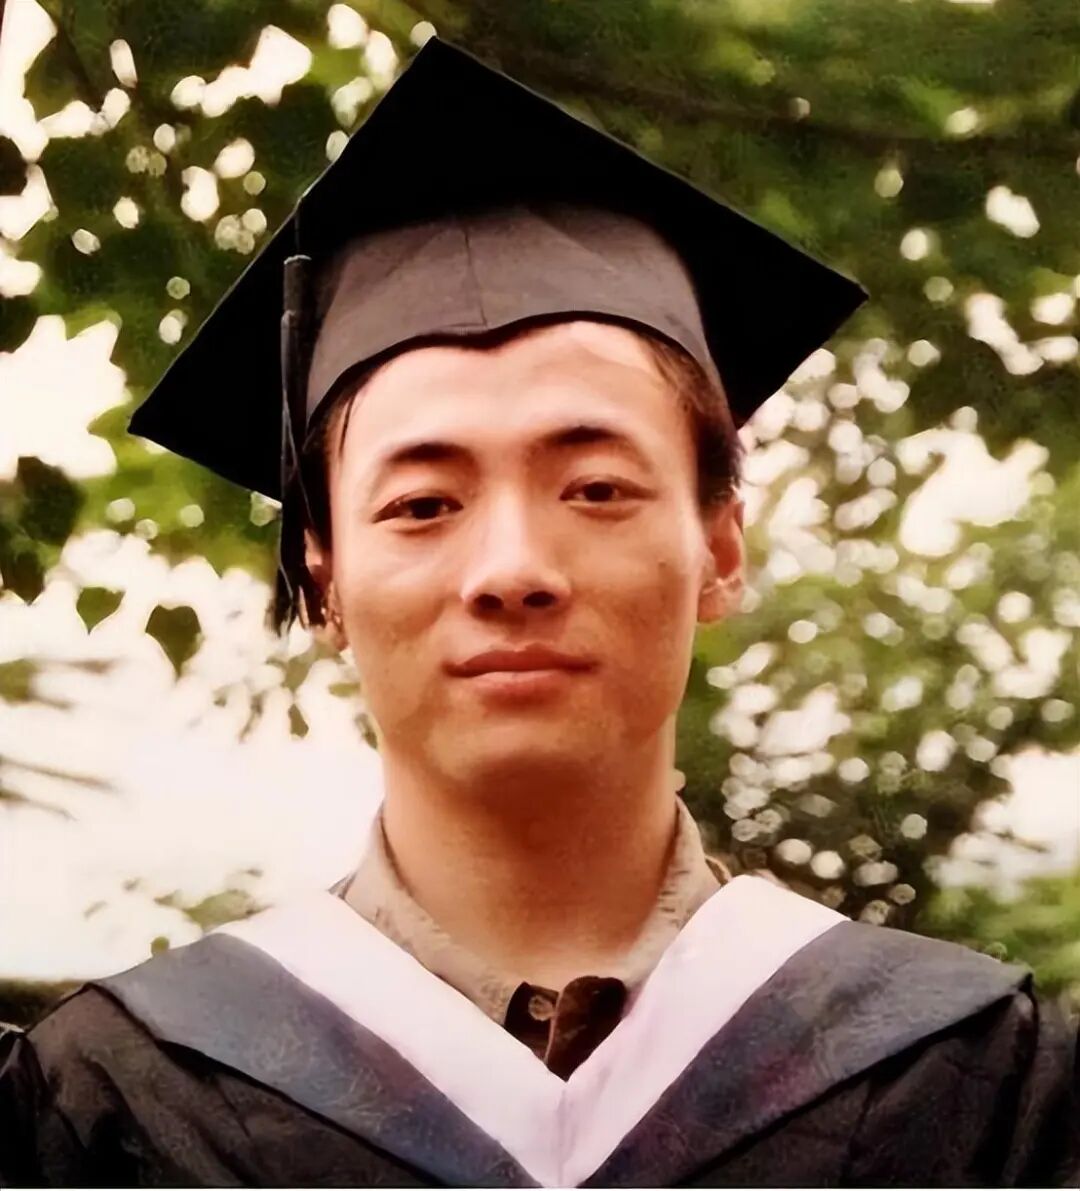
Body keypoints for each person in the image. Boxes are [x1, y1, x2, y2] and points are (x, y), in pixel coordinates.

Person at [1, 37, 1076, 1189]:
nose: (511, 569)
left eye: (597, 489)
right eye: (423, 504)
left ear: (720, 550)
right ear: (323, 580)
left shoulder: (983, 1085)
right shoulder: (115, 1105)